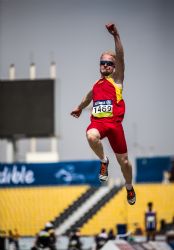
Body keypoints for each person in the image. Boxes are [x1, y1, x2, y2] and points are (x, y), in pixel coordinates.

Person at [71, 23, 136, 205]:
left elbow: (121, 57)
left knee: (125, 163)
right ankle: (103, 161)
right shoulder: (96, 84)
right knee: (91, 136)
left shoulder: (117, 80)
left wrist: (116, 36)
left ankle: (129, 187)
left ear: (114, 67)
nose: (105, 66)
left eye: (109, 63)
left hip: (115, 126)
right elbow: (88, 97)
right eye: (103, 63)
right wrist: (79, 107)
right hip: (98, 123)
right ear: (99, 65)